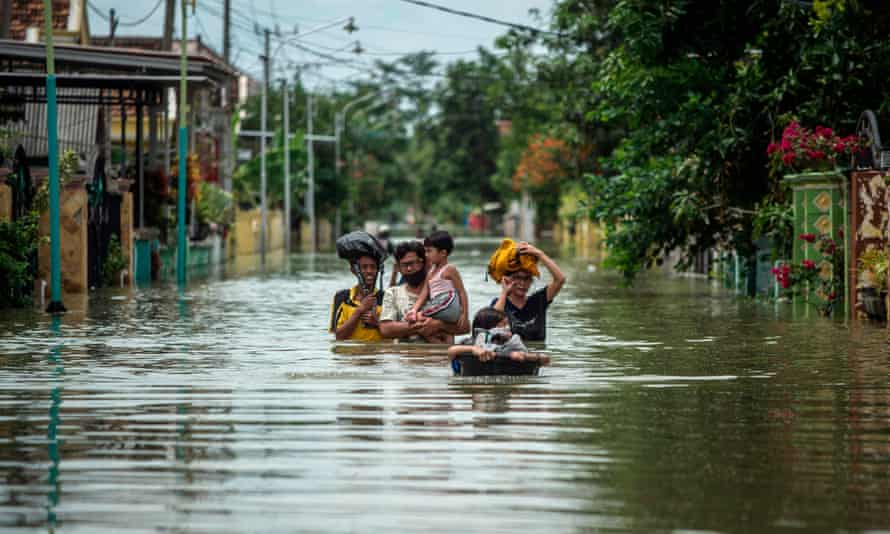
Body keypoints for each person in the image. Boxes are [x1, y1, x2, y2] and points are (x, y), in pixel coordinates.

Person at [379, 240, 468, 343]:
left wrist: (439, 325)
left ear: (424, 263)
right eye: (404, 265)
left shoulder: (441, 291)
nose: (409, 268)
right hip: (406, 356)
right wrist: (419, 327)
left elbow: (465, 327)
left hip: (439, 356)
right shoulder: (393, 293)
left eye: (413, 263)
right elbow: (385, 329)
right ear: (398, 268)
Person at [489, 239, 566, 342]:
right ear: (507, 279)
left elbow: (560, 279)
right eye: (517, 277)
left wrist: (540, 254)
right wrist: (504, 292)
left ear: (531, 281)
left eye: (527, 279)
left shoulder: (538, 301)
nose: (522, 283)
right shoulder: (499, 303)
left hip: (537, 354)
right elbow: (491, 325)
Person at [405, 231, 469, 330]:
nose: (426, 255)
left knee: (418, 317)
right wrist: (414, 309)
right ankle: (439, 343)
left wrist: (464, 314)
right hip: (439, 309)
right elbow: (424, 293)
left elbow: (461, 292)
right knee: (421, 323)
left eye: (429, 251)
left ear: (443, 253)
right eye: (425, 251)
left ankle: (419, 316)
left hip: (448, 306)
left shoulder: (449, 269)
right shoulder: (430, 272)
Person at [447, 307, 549, 365]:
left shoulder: (510, 344)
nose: (507, 328)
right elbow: (451, 351)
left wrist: (524, 356)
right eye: (503, 325)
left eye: (507, 325)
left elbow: (545, 359)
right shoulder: (470, 343)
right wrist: (474, 349)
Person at [330, 253, 384, 342]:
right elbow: (339, 337)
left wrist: (377, 323)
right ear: (354, 270)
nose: (369, 271)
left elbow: (395, 335)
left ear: (378, 270)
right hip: (350, 355)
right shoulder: (342, 297)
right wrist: (360, 310)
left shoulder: (386, 298)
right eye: (364, 267)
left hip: (376, 354)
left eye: (373, 267)